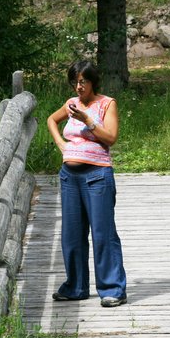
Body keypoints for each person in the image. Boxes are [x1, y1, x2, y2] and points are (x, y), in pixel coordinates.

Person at [46, 60, 127, 307]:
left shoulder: (106, 104)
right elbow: (51, 120)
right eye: (75, 82)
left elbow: (111, 137)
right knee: (71, 235)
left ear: (93, 81)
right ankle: (75, 286)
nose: (78, 87)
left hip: (97, 176)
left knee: (103, 234)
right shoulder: (71, 104)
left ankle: (112, 289)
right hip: (70, 177)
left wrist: (88, 120)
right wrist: (61, 144)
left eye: (83, 81)